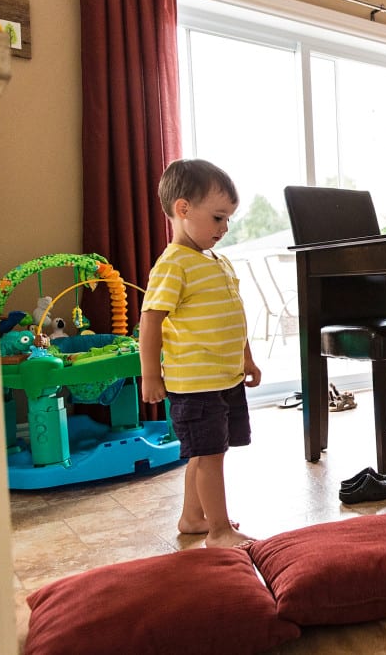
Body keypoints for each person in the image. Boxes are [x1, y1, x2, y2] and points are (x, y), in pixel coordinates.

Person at [139, 158, 262, 549]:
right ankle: (219, 531)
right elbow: (150, 321)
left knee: (206, 452)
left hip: (222, 376)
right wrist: (151, 375)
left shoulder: (215, 260)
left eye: (228, 220)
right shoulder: (173, 264)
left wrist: (246, 357)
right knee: (210, 456)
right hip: (195, 382)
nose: (224, 229)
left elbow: (234, 313)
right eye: (218, 218)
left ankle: (193, 517)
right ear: (183, 209)